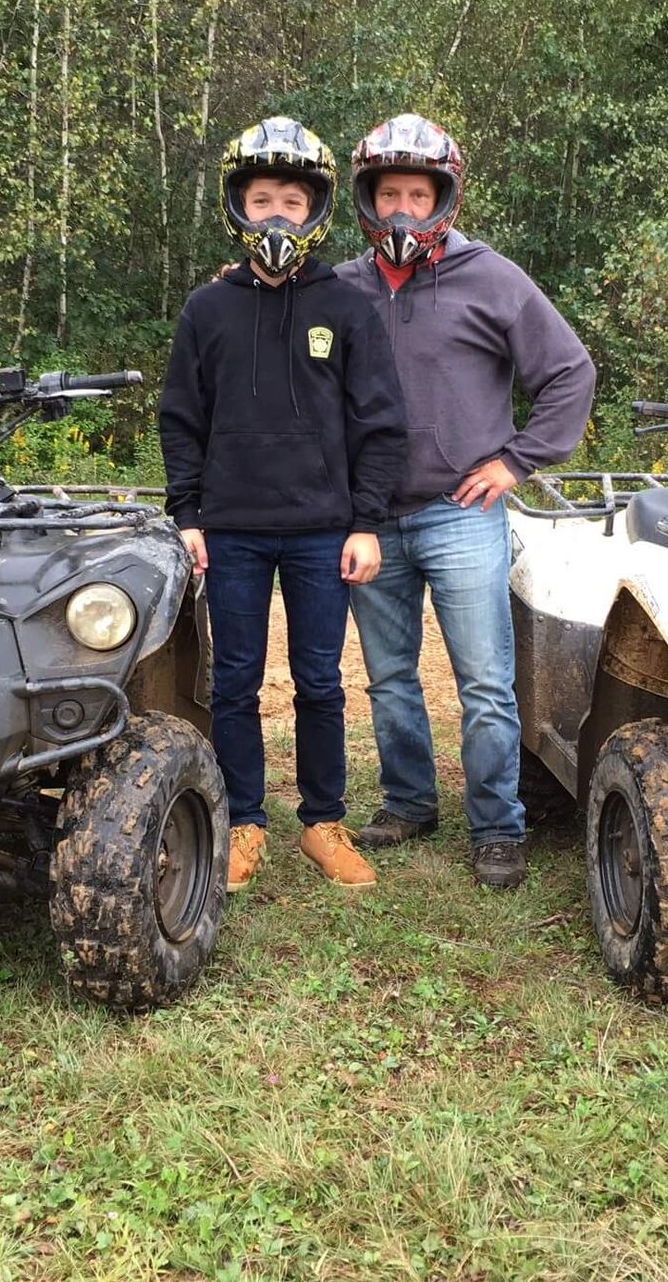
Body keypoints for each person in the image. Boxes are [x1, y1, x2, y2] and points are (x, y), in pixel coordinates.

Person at [336, 113, 595, 889]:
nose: (404, 210)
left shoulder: (494, 278)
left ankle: (497, 827)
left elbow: (570, 372)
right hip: (371, 519)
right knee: (389, 677)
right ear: (368, 200)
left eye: (420, 192)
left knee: (484, 681)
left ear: (444, 196)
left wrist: (516, 460)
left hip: (462, 513)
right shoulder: (342, 287)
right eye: (390, 194)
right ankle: (409, 803)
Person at [158, 116, 408, 893]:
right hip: (230, 530)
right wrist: (188, 514)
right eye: (260, 198)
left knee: (320, 681)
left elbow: (380, 422)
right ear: (237, 206)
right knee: (234, 680)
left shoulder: (347, 306)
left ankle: (324, 824)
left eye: (290, 202)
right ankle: (244, 824)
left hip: (321, 530)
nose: (275, 216)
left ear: (315, 211)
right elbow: (180, 419)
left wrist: (366, 520)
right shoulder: (208, 308)